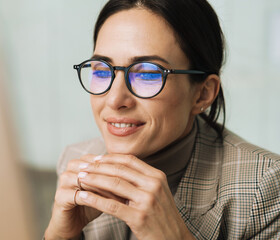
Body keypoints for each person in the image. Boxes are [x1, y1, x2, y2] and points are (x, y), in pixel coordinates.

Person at [44, 0, 280, 239]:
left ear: (203, 93)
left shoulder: (264, 186)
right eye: (102, 70)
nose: (115, 99)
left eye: (147, 73)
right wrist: (59, 236)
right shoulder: (75, 163)